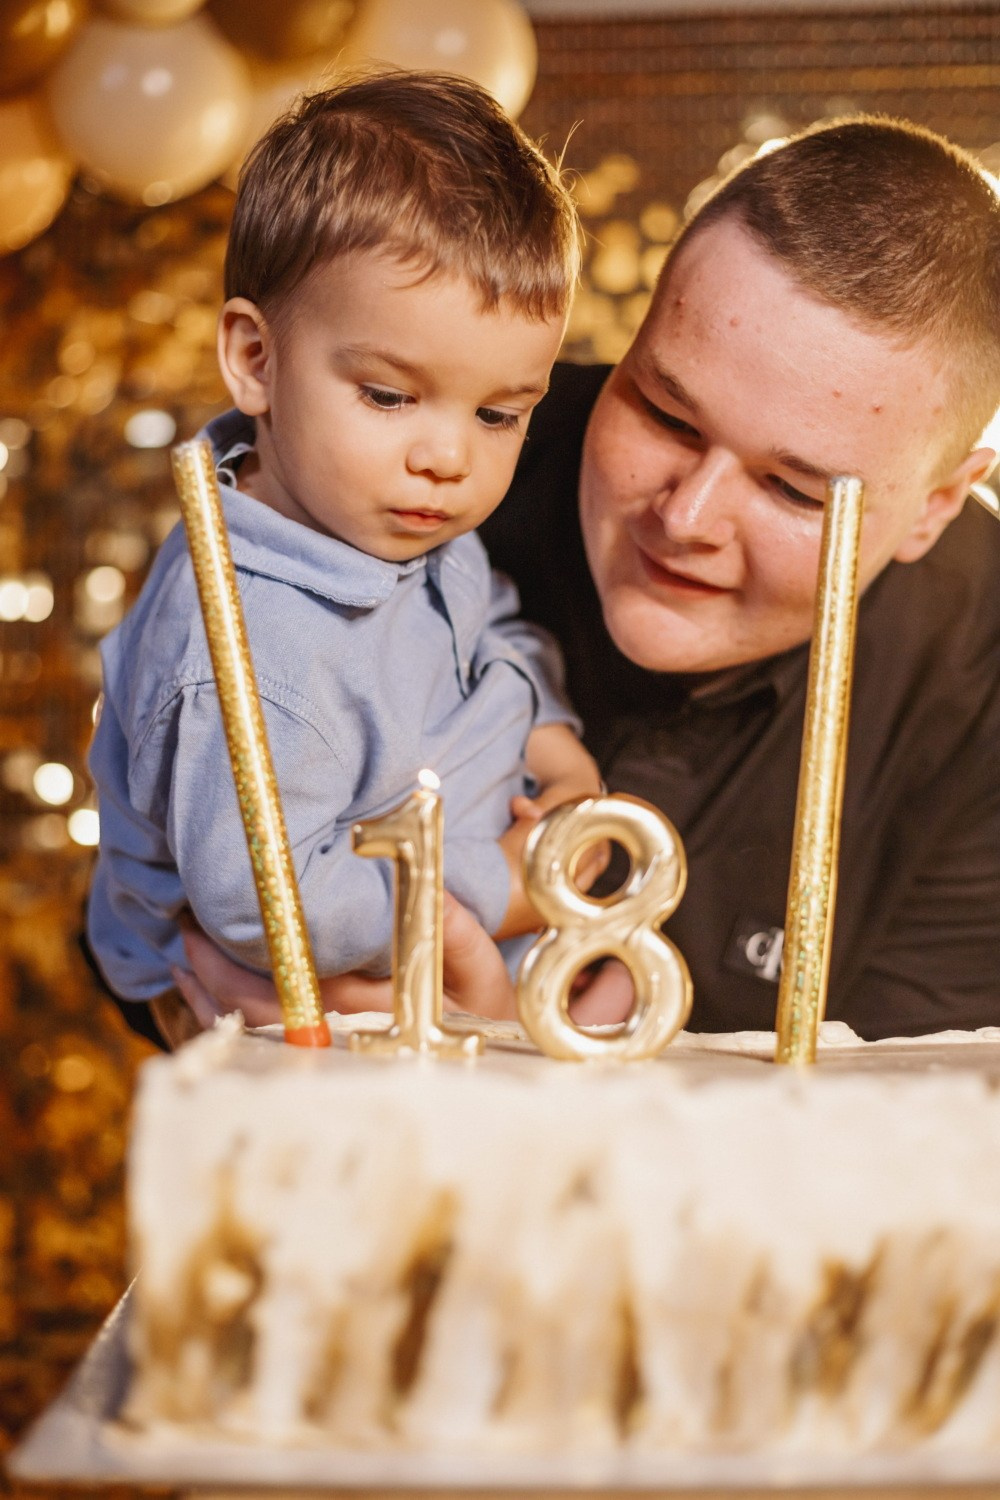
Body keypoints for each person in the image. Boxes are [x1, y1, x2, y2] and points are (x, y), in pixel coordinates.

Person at [171, 116, 1000, 1043]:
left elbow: (908, 1137)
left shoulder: (980, 699)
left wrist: (516, 1074)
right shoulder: (429, 458)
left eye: (795, 489)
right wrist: (200, 995)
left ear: (934, 506)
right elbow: (158, 878)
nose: (684, 519)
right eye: (665, 413)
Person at [86, 71, 606, 1047]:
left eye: (499, 413)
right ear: (255, 359)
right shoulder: (245, 662)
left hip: (472, 913)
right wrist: (511, 890)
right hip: (315, 1002)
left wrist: (549, 738)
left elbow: (486, 618)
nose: (447, 457)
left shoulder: (377, 510)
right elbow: (269, 909)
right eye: (387, 395)